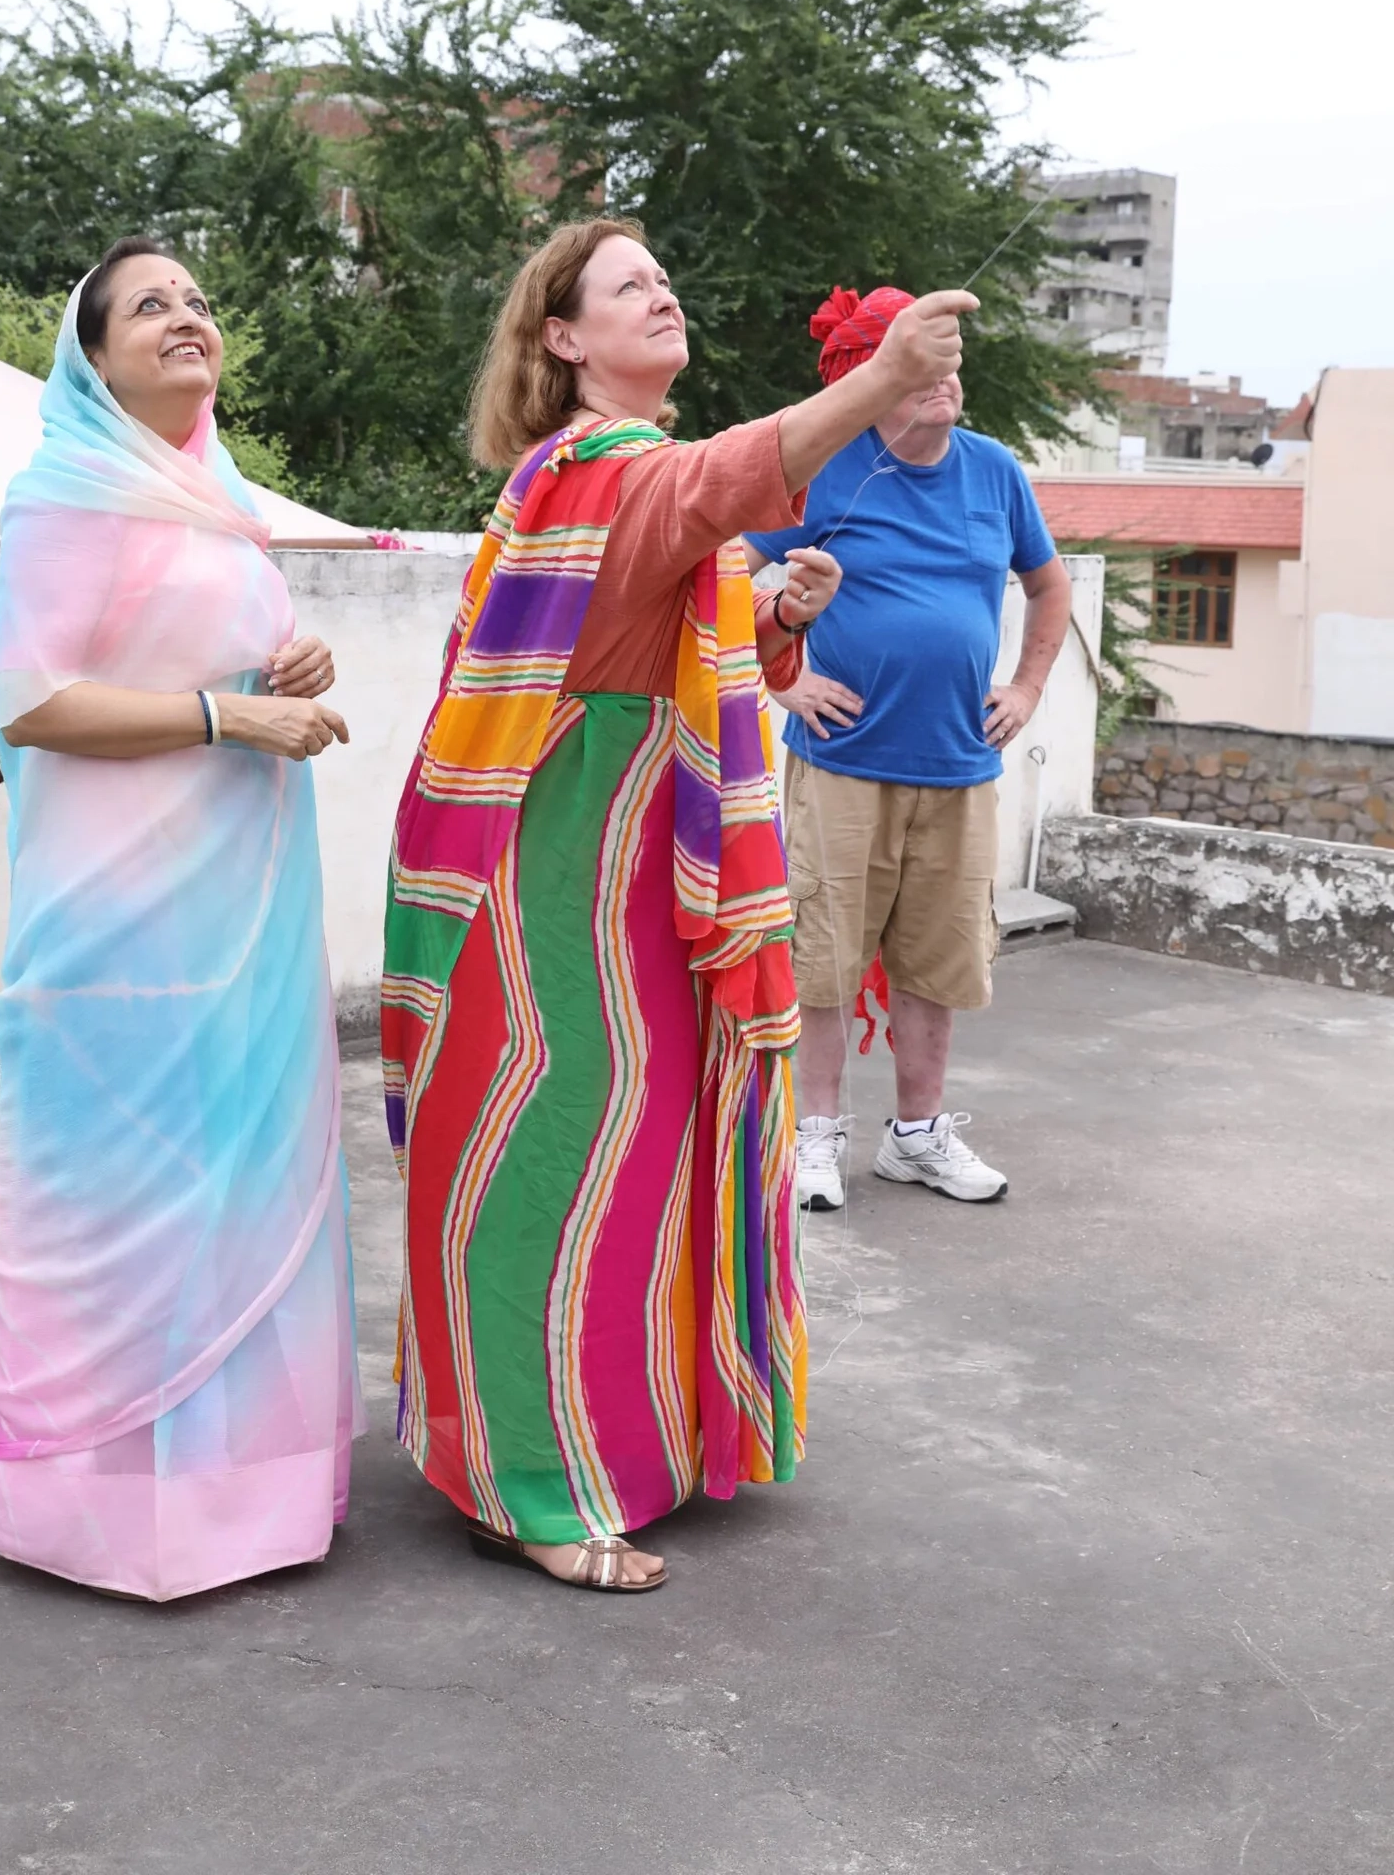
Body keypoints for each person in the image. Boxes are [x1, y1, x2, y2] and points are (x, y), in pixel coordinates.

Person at [382, 217, 977, 1591]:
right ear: (562, 340)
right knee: (550, 1150)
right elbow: (722, 484)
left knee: (638, 1156)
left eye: (662, 276)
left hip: (638, 852)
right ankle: (529, 1485)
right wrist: (881, 380)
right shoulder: (601, 468)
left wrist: (774, 620)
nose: (659, 292)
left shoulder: (630, 478)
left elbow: (686, 646)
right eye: (623, 285)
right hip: (563, 858)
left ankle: (612, 1442)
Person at [0, 238, 365, 1601]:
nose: (186, 317)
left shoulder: (218, 497)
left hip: (236, 906)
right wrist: (228, 711)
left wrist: (282, 664)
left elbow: (217, 655)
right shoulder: (67, 498)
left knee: (235, 1190)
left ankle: (241, 1496)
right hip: (120, 923)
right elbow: (32, 701)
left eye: (198, 299)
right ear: (93, 355)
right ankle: (92, 1507)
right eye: (151, 305)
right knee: (125, 1196)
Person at [745, 284, 1071, 1213]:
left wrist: (1027, 687)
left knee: (936, 963)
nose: (946, 379)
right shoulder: (827, 471)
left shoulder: (994, 471)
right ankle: (816, 1138)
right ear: (869, 380)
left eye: (950, 365)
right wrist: (781, 678)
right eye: (924, 367)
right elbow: (721, 573)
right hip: (842, 764)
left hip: (959, 770)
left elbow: (1049, 590)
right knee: (823, 960)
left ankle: (918, 1137)